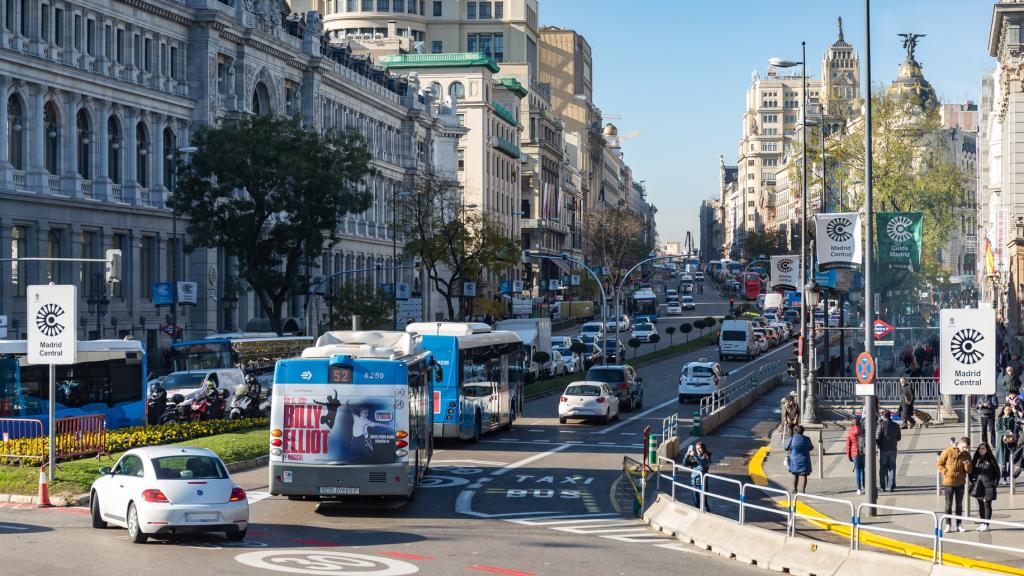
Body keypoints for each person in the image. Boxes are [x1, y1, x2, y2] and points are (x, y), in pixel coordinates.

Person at [937, 437, 973, 533]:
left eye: (967, 448)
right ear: (960, 444)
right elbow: (939, 464)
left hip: (960, 482)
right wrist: (945, 472)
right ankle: (948, 524)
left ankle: (959, 524)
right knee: (948, 504)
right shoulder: (949, 451)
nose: (965, 449)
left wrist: (967, 465)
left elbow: (969, 471)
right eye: (964, 447)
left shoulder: (966, 455)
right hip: (948, 482)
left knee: (959, 505)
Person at [970, 442, 1000, 532]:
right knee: (980, 505)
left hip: (988, 486)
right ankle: (982, 523)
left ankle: (987, 524)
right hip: (979, 486)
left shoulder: (991, 460)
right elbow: (971, 472)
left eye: (983, 448)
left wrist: (994, 483)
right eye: (980, 448)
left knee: (987, 504)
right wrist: (973, 481)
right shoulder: (976, 460)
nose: (981, 450)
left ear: (987, 450)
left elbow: (997, 473)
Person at [783, 424, 813, 493]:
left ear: (795, 431)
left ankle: (795, 489)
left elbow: (786, 448)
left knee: (795, 475)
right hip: (805, 459)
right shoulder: (807, 439)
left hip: (795, 460)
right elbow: (811, 447)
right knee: (804, 476)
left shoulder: (792, 438)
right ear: (803, 431)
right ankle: (803, 490)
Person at [876, 410, 902, 492]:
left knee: (883, 468)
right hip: (893, 449)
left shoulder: (881, 425)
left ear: (884, 416)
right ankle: (891, 486)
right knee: (892, 467)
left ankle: (882, 486)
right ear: (890, 416)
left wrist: (879, 445)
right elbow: (899, 438)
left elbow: (877, 437)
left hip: (883, 449)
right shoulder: (896, 425)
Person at [684, 441, 712, 511]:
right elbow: (684, 464)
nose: (698, 450)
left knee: (704, 503)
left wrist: (695, 456)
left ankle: (708, 517)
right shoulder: (693, 457)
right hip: (694, 483)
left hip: (702, 483)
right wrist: (687, 455)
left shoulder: (706, 457)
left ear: (703, 448)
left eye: (700, 448)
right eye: (696, 449)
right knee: (696, 503)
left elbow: (703, 465)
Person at [997, 405, 1019, 484]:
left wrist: (1015, 411)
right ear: (1003, 410)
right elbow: (998, 430)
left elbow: (1018, 420)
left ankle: (1009, 476)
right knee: (1003, 461)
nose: (1008, 411)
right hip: (1001, 442)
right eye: (1007, 410)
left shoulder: (1012, 418)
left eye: (1009, 410)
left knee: (1011, 459)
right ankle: (1004, 477)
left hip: (1011, 442)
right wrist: (1006, 432)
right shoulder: (999, 419)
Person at [844, 416, 866, 494]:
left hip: (854, 453)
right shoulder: (863, 430)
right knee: (863, 470)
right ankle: (864, 487)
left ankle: (858, 489)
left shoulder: (850, 432)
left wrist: (849, 456)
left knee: (857, 470)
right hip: (862, 452)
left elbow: (848, 445)